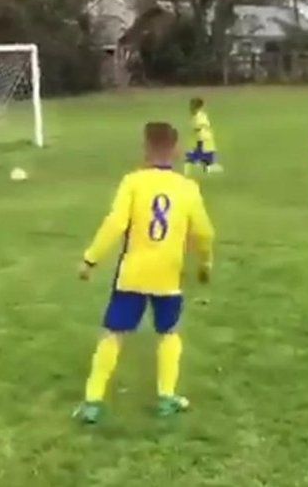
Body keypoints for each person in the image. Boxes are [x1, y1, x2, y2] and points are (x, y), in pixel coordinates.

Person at [74, 122, 215, 424]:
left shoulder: (133, 182)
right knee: (169, 332)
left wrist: (90, 260)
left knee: (113, 333)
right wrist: (205, 264)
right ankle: (166, 397)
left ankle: (92, 401)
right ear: (176, 151)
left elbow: (115, 224)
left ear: (145, 149)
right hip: (168, 275)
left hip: (133, 273)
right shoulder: (187, 188)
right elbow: (204, 233)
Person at [184, 97, 223, 175]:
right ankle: (190, 167)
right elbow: (199, 126)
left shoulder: (200, 115)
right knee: (200, 154)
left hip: (204, 138)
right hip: (202, 138)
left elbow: (198, 126)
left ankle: (206, 167)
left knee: (204, 154)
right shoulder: (199, 115)